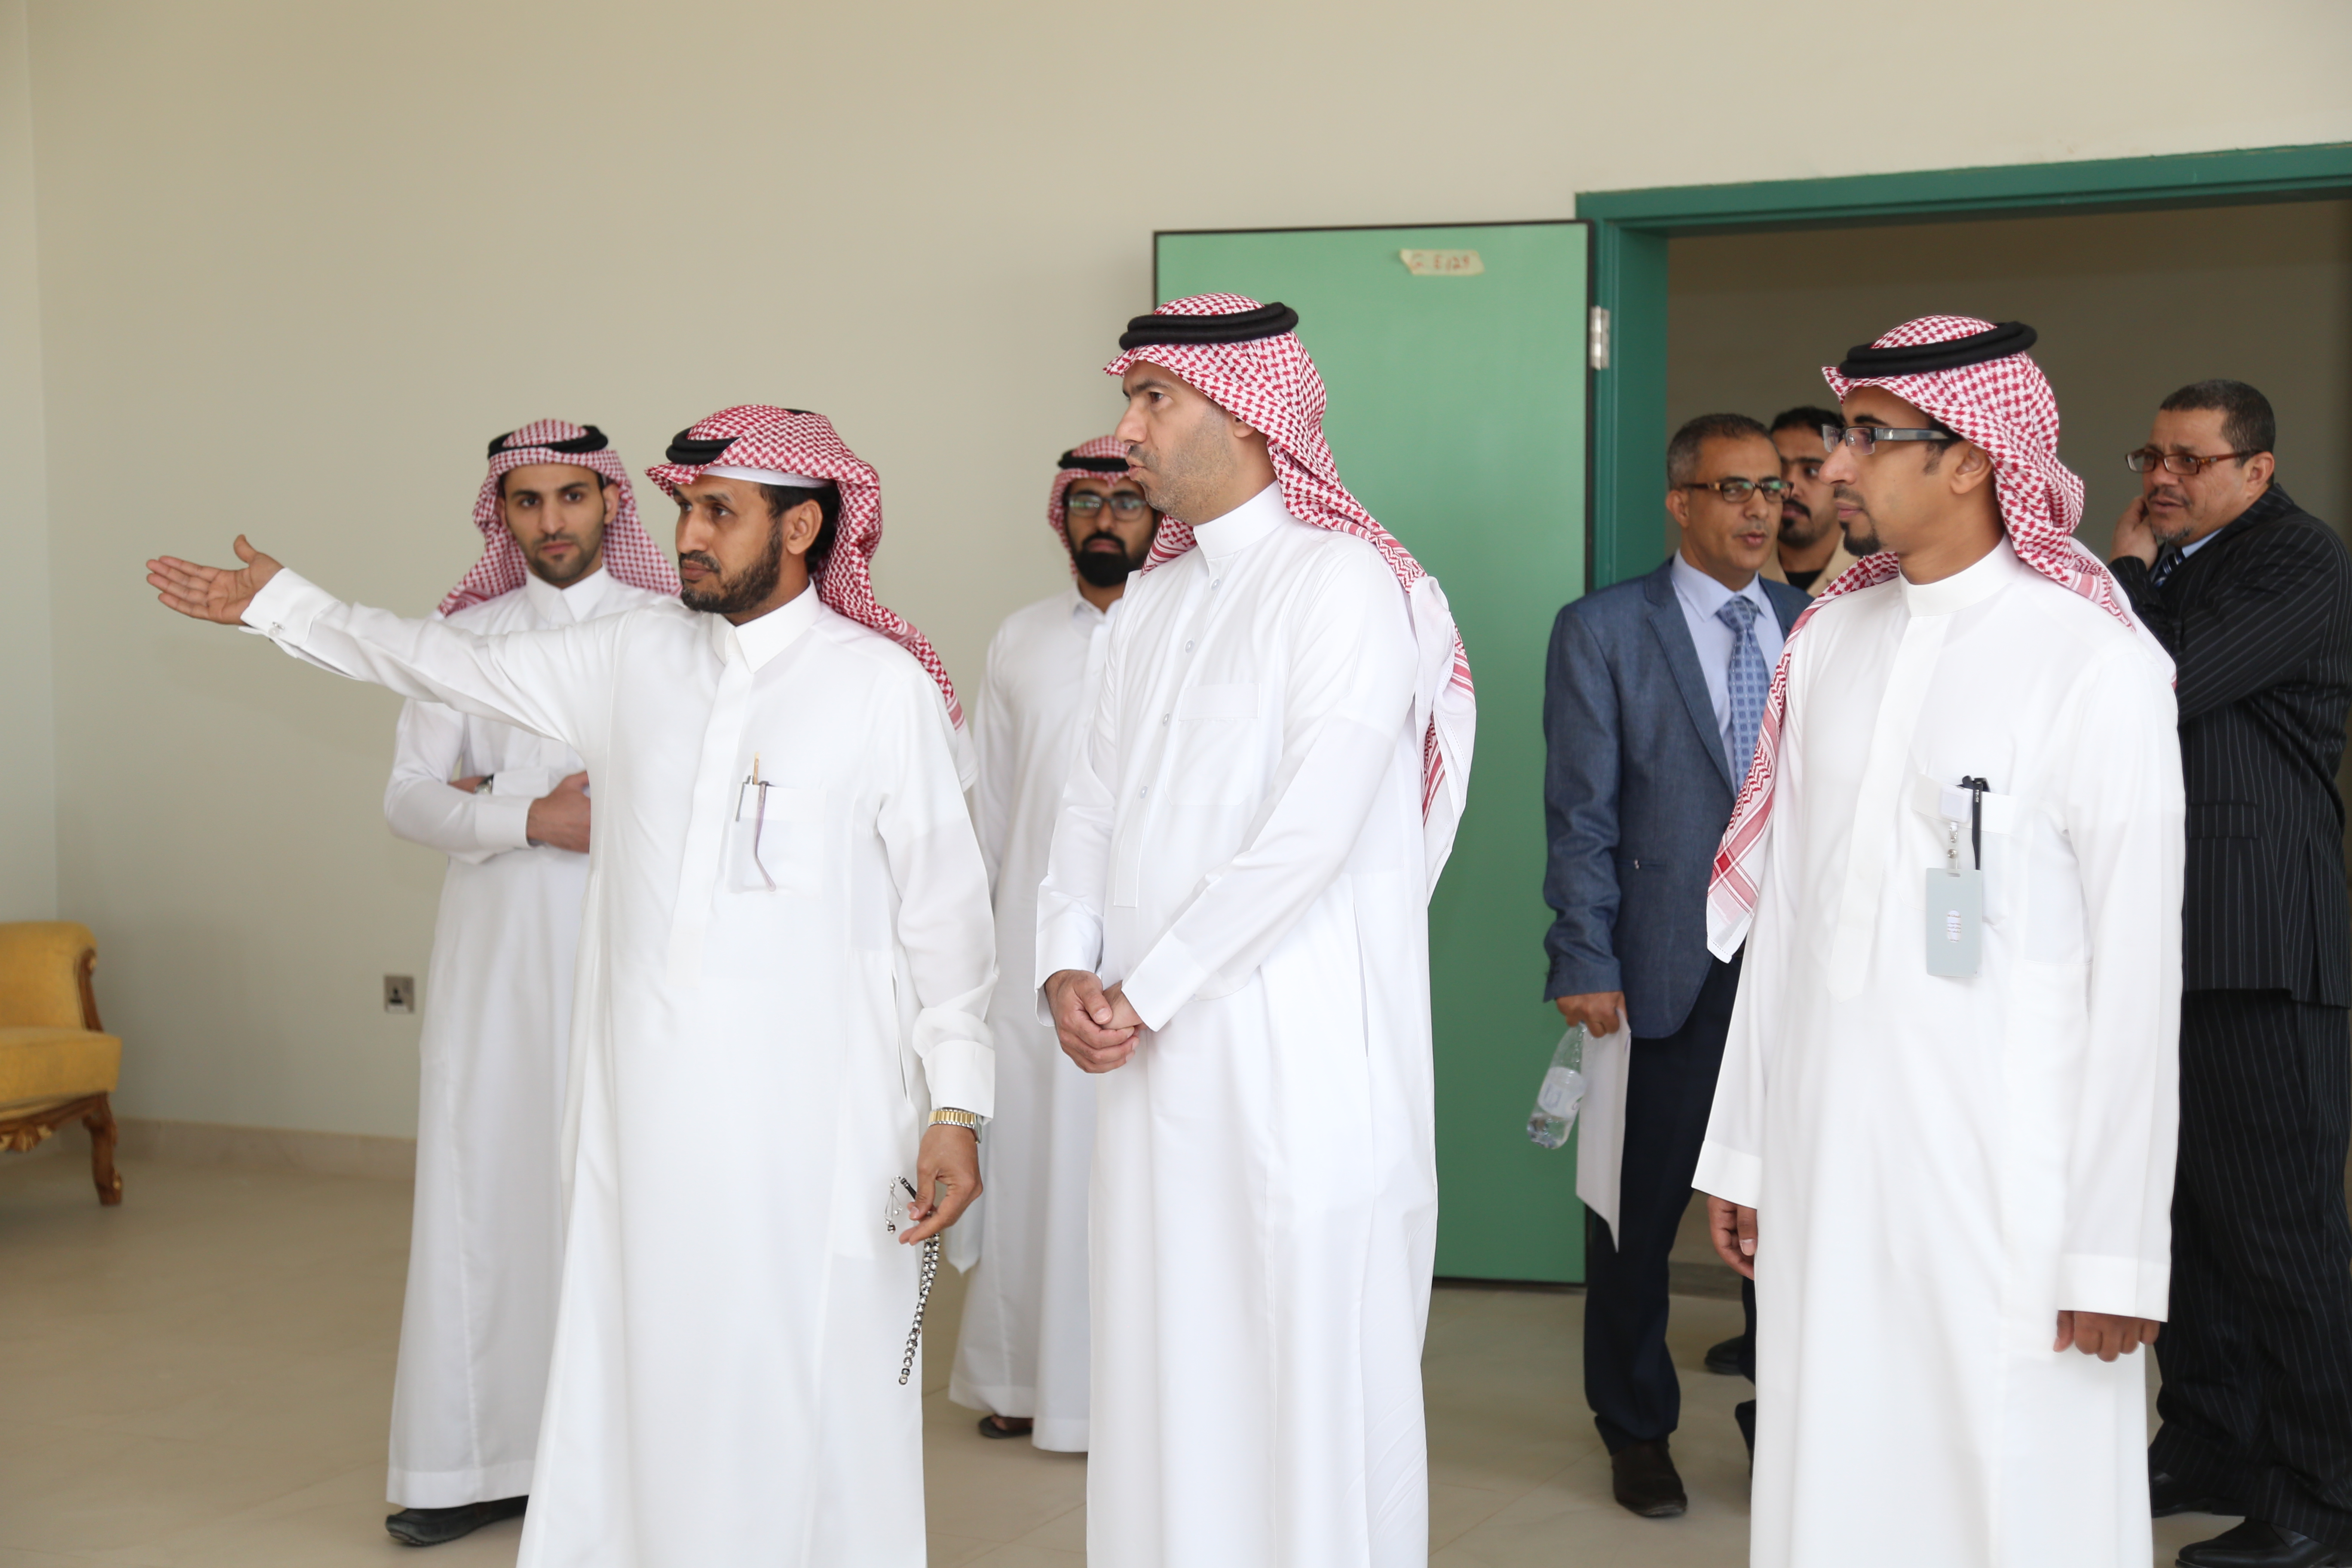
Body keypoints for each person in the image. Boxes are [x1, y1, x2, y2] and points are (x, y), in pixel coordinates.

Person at [147, 405, 994, 1568]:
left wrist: (957, 1105)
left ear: (802, 527)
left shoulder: (880, 688)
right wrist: (287, 606)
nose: (688, 535)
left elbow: (945, 914)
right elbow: (441, 659)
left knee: (802, 1368)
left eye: (718, 512)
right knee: (641, 1359)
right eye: (684, 509)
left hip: (815, 1115)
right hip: (642, 1106)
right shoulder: (631, 658)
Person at [1696, 317, 2184, 1568]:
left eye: (1867, 436)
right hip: (1828, 1160)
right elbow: (1786, 919)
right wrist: (1743, 1145)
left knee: (2006, 1489)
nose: (1831, 468)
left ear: (1970, 456)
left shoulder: (2092, 662)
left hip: (2006, 1182)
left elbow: (2137, 976)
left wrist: (2115, 1248)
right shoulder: (1829, 642)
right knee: (1833, 1469)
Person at [1033, 294, 1474, 1567]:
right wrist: (1066, 962)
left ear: (1242, 414)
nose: (1125, 432)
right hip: (1150, 1062)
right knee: (1164, 1354)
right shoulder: (1152, 606)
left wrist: (1143, 988)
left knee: (1295, 1369)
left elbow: (1308, 832)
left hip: (1294, 1060)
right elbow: (1087, 806)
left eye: (1151, 401)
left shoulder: (1339, 585)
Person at [379, 420, 674, 1547]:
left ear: (612, 504)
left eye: (572, 497)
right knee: (488, 1187)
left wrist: (491, 801)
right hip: (498, 955)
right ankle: (475, 1464)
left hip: (636, 945)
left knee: (628, 1189)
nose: (552, 521)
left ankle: (629, 1462)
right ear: (500, 516)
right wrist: (527, 816)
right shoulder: (465, 638)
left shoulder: (672, 629)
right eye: (528, 502)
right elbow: (411, 797)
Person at [1543, 412, 1807, 1514]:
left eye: (1772, 488)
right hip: (1660, 965)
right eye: (1733, 488)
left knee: (1787, 1213)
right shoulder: (1606, 629)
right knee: (1636, 1217)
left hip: (1792, 974)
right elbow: (1582, 814)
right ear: (1680, 501)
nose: (1759, 508)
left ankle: (1783, 1419)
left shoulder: (1814, 623)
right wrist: (1582, 950)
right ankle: (1636, 1425)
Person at [2108, 380, 2352, 1568]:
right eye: (2153, 455)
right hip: (2167, 946)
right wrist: (2143, 572)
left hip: (2258, 947)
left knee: (2280, 1237)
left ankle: (2323, 1495)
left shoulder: (2297, 557)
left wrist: (2120, 572)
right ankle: (2209, 1443)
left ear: (2255, 471)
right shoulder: (2181, 564)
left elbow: (2155, 685)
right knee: (2187, 1226)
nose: (2164, 476)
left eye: (2192, 460)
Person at [950, 436, 1159, 1449]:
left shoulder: (1183, 629)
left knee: (1132, 1182)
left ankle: (1130, 1399)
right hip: (1031, 960)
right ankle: (1023, 1379)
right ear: (1060, 515)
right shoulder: (1020, 639)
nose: (1104, 518)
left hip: (1147, 960)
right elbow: (988, 811)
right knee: (1035, 1173)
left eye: (1126, 499)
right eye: (1085, 500)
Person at [1758, 404, 1862, 595]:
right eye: (1779, 469)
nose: (1789, 490)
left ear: (1843, 481)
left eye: (1812, 471)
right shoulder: (1735, 574)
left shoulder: (1879, 578)